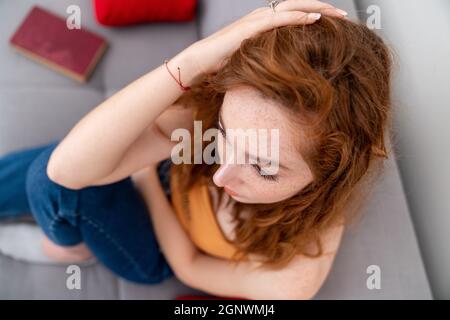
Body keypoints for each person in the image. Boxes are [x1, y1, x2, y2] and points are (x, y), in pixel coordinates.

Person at [0, 0, 392, 299]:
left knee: (50, 181)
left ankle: (67, 250)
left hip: (155, 247)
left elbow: (188, 266)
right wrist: (194, 59)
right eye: (224, 134)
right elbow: (68, 167)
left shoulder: (296, 273)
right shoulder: (221, 112)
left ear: (332, 172)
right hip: (159, 173)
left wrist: (145, 179)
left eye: (265, 168)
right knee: (63, 162)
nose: (220, 173)